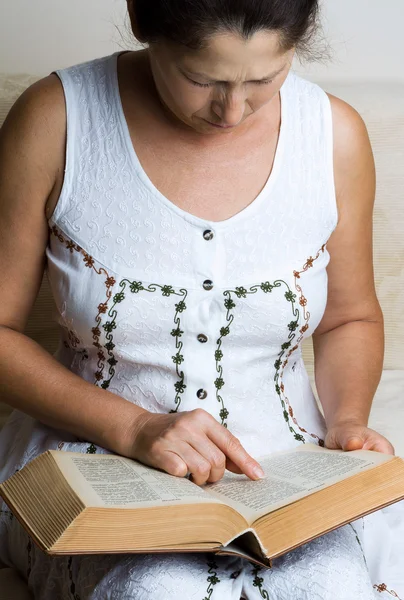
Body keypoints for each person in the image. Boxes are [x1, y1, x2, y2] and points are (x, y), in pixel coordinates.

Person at [0, 0, 402, 598]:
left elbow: (349, 317)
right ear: (141, 20)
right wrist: (135, 427)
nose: (231, 110)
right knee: (152, 588)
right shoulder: (57, 117)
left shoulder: (333, 134)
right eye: (201, 79)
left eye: (264, 80)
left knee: (334, 584)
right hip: (100, 464)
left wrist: (347, 422)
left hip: (283, 473)